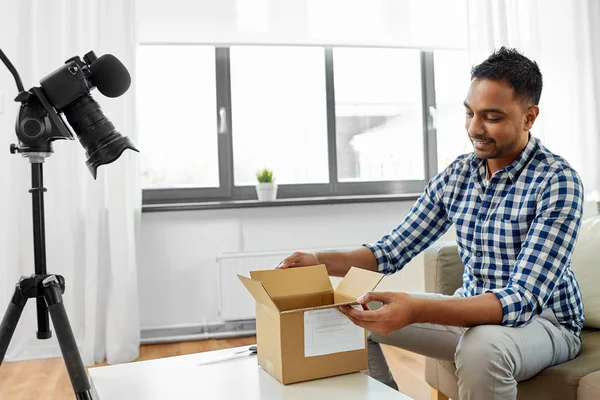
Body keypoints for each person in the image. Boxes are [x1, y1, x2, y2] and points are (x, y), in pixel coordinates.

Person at [276, 47, 584, 400]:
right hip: (474, 308)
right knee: (355, 312)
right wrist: (319, 260)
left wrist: (415, 309)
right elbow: (391, 250)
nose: (474, 128)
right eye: (469, 113)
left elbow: (521, 300)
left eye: (492, 117)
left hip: (544, 322)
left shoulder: (557, 181)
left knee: (482, 346)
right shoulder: (459, 175)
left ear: (529, 117)